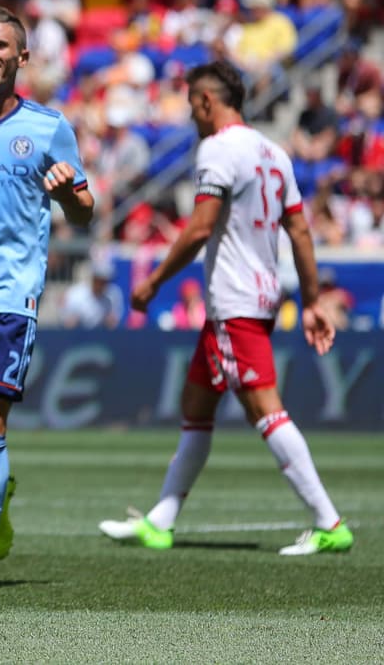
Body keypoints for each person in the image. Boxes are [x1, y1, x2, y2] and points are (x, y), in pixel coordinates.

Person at [99, 60, 353, 556]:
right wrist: (311, 300)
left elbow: (198, 228)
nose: (192, 115)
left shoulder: (216, 149)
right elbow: (299, 230)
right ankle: (161, 520)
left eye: (193, 104)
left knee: (265, 410)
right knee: (196, 409)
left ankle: (329, 521)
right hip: (251, 299)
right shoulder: (274, 154)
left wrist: (151, 282)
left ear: (207, 102)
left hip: (234, 301)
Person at [0, 7, 93, 595]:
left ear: (22, 57)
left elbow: (83, 209)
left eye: (2, 44)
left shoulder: (50, 128)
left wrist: (69, 197)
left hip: (9, 294)